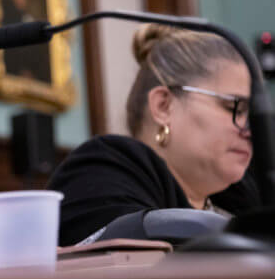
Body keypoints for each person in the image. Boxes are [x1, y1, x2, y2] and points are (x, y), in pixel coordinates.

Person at [47, 24, 264, 246]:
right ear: (163, 106)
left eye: (252, 114)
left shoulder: (247, 199)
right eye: (232, 107)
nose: (249, 131)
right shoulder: (98, 175)